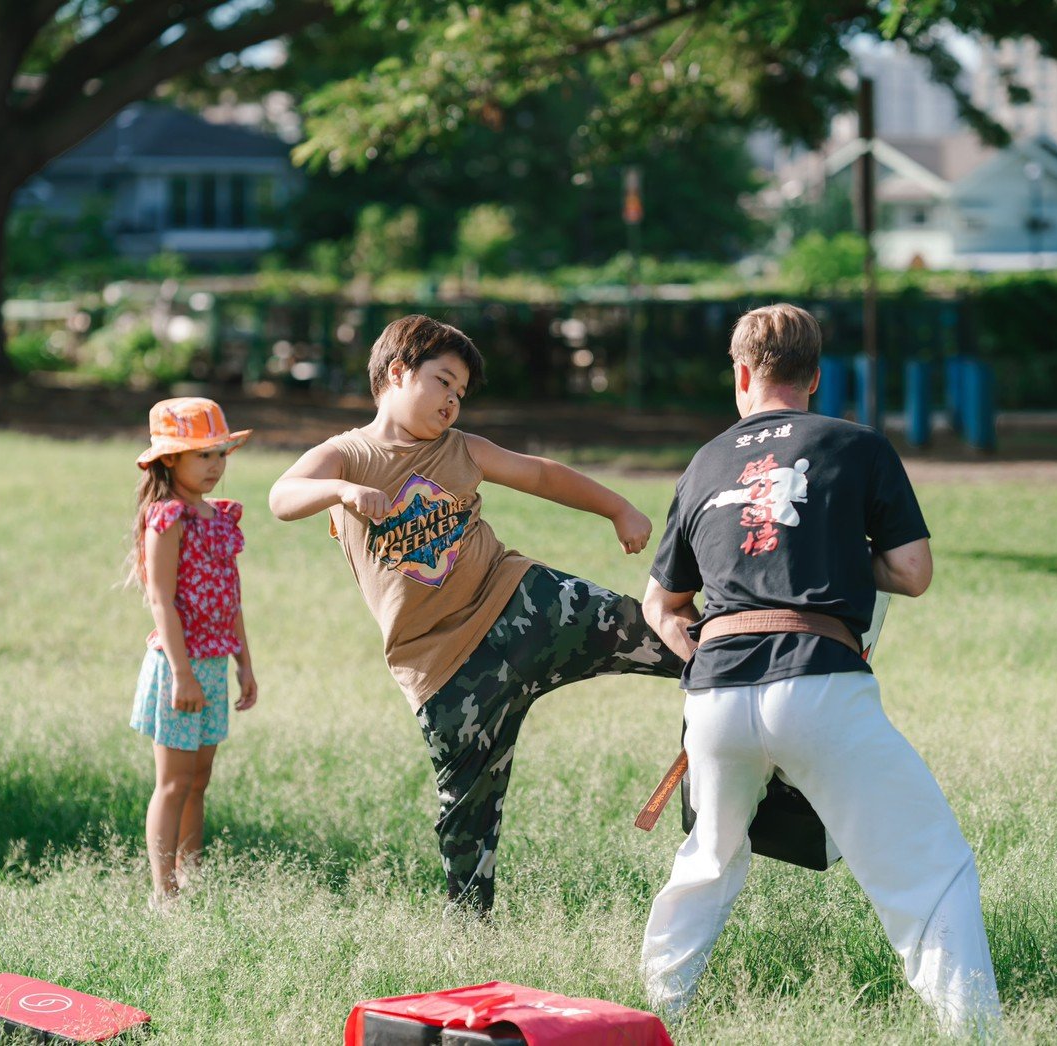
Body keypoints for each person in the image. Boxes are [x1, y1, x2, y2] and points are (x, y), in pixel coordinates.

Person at [637, 304, 1000, 1034]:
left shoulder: (706, 460)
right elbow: (913, 570)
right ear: (816, 377)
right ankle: (979, 1031)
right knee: (928, 868)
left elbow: (660, 602)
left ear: (741, 375)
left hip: (714, 700)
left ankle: (656, 1016)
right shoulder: (857, 445)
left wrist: (703, 654)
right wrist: (832, 557)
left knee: (708, 860)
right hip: (817, 684)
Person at [269, 314, 683, 914]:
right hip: (439, 666)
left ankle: (753, 657)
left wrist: (618, 508)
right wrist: (339, 492)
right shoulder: (347, 455)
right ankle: (469, 934)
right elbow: (283, 497)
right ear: (396, 373)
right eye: (443, 382)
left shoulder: (461, 449)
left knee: (643, 630)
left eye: (461, 393)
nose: (452, 402)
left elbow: (540, 475)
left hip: (515, 604)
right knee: (466, 813)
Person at [127, 397, 258, 905]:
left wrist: (245, 663)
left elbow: (232, 598)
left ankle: (192, 869)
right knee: (174, 781)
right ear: (169, 461)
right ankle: (164, 889)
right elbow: (161, 598)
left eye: (220, 454)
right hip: (178, 667)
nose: (215, 465)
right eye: (202, 455)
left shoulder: (221, 518)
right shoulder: (168, 517)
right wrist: (182, 673)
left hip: (213, 664)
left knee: (199, 778)